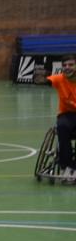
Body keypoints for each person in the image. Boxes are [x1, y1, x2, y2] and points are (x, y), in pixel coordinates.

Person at [43, 54, 76, 182]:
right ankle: (66, 166)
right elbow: (48, 80)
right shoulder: (59, 79)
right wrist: (39, 78)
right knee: (62, 127)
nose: (67, 67)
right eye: (64, 65)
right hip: (66, 114)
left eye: (71, 65)